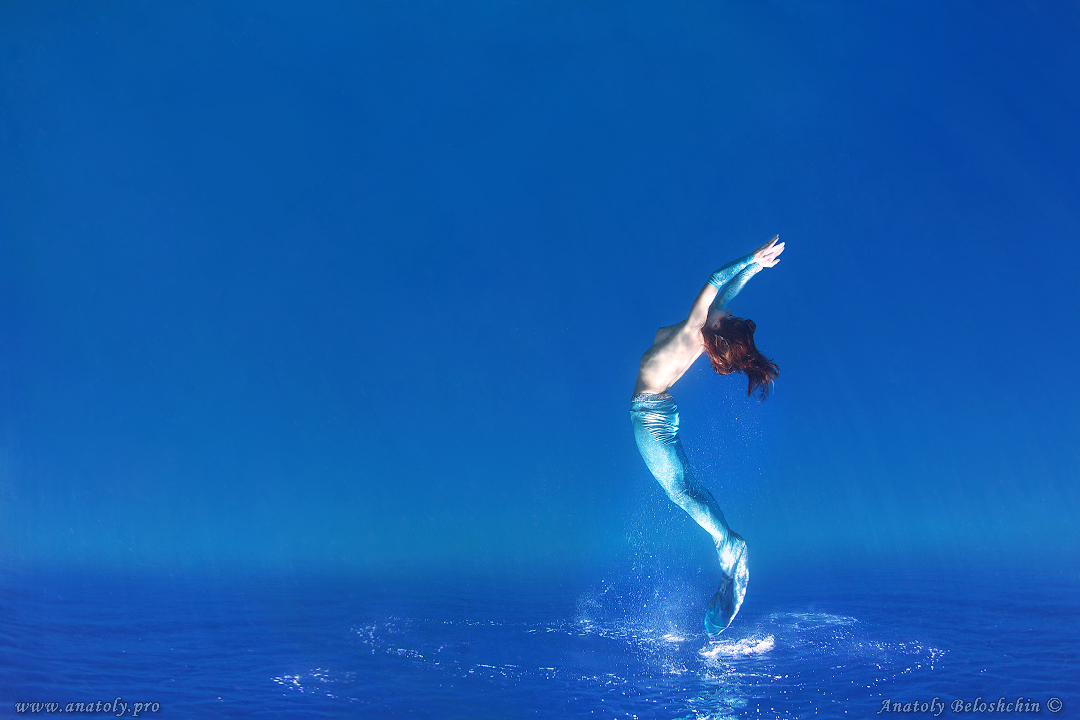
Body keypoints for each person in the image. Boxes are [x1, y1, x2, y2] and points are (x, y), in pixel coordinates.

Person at [630, 236, 784, 633]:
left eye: (726, 315)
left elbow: (717, 279)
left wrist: (751, 256)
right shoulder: (703, 332)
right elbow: (727, 292)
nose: (727, 309)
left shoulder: (695, 329)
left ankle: (728, 546)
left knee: (682, 492)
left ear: (716, 326)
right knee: (689, 487)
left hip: (650, 416)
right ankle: (727, 546)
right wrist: (755, 268)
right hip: (658, 410)